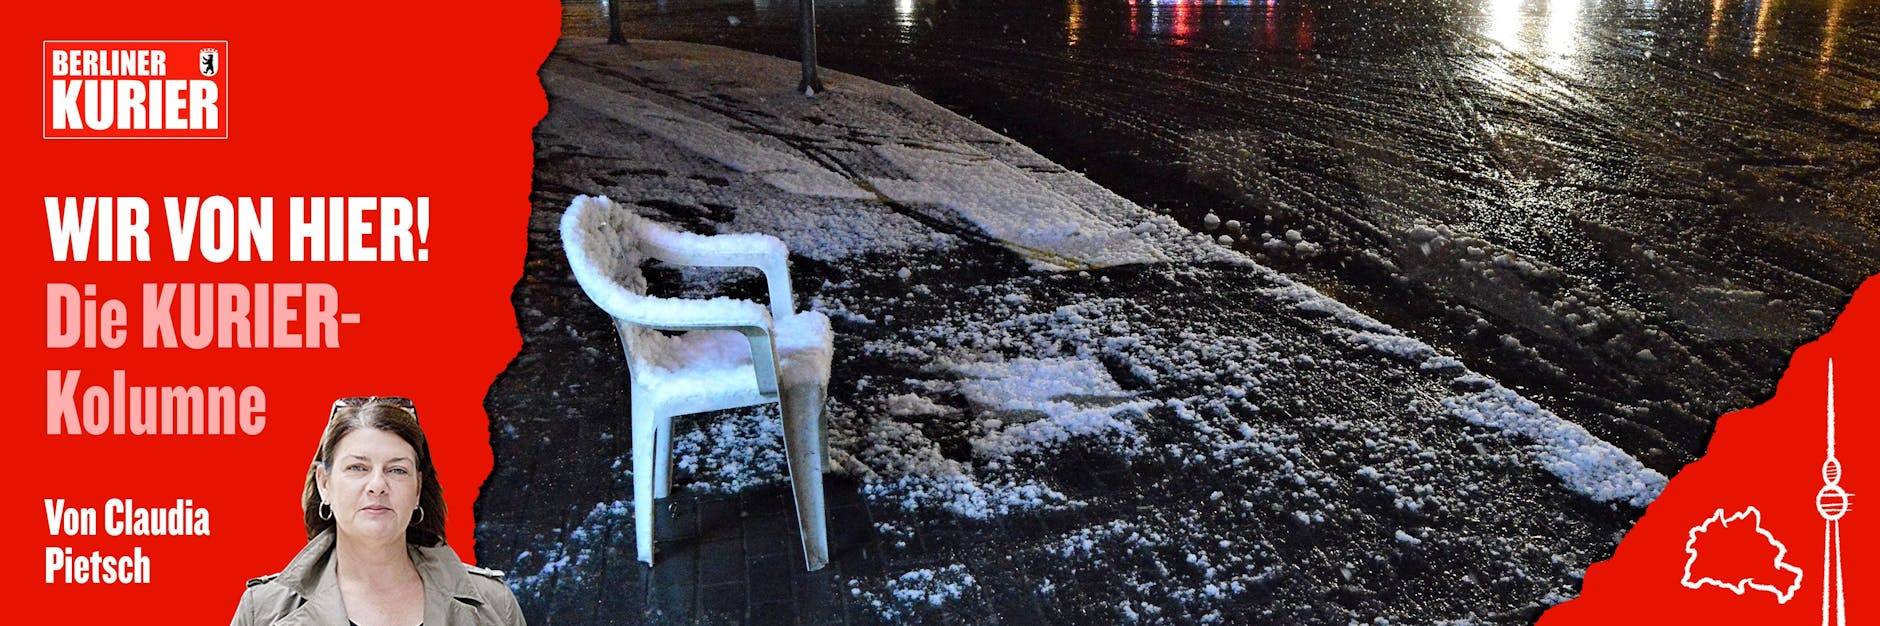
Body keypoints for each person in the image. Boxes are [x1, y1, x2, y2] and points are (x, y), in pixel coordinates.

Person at [232, 397, 525, 625]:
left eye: (396, 470)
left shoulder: (494, 607)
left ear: (417, 489)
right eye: (357, 467)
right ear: (324, 484)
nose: (377, 485)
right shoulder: (264, 611)